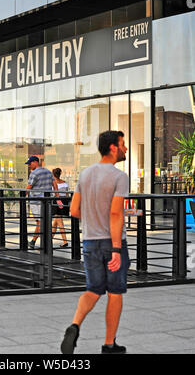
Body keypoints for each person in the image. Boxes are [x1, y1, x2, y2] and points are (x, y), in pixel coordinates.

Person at [60, 130, 130, 354]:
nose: (125, 148)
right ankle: (109, 344)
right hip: (112, 242)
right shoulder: (119, 177)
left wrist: (92, 217)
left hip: (90, 242)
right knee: (115, 292)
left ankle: (75, 325)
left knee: (93, 290)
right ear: (113, 148)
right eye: (123, 144)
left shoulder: (85, 174)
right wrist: (117, 250)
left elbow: (73, 210)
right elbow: (116, 215)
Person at [25, 156, 63, 249]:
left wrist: (22, 197)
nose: (29, 165)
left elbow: (29, 187)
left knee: (40, 221)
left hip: (36, 201)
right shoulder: (48, 172)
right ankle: (43, 242)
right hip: (46, 201)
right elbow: (55, 185)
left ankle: (34, 241)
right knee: (44, 221)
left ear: (35, 162)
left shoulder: (34, 173)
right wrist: (57, 198)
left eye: (30, 163)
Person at [52, 168, 69, 248]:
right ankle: (49, 240)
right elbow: (67, 195)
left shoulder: (53, 183)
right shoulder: (65, 183)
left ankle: (65, 241)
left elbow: (54, 194)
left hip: (57, 202)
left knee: (60, 222)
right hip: (64, 202)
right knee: (55, 223)